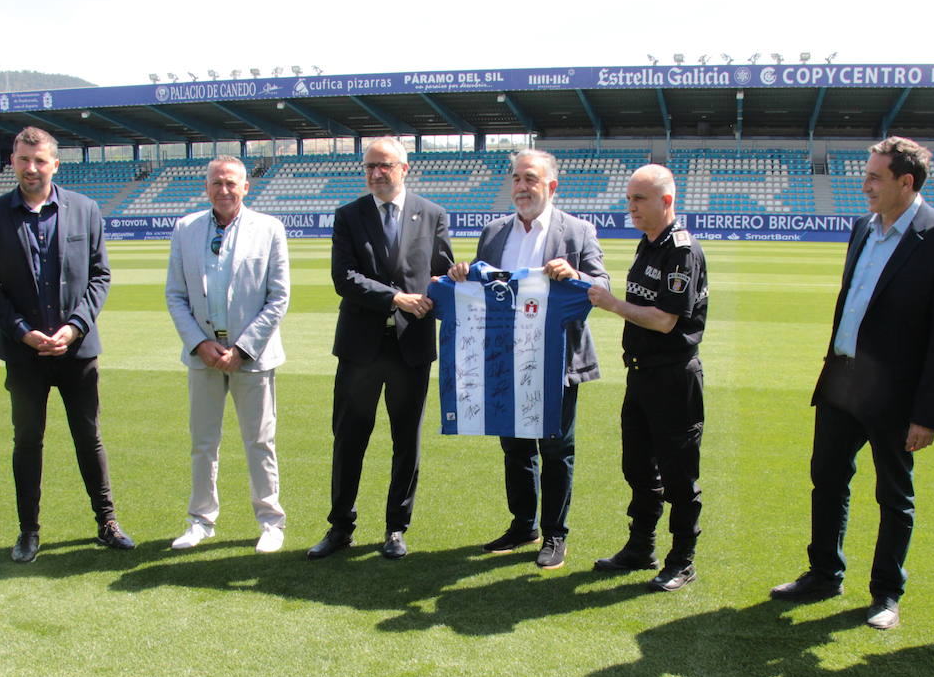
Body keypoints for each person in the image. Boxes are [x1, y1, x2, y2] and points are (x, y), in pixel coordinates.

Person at [769, 137, 934, 630]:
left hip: (896, 392)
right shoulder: (862, 228)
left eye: (876, 177)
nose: (865, 185)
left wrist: (929, 413)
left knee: (893, 494)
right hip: (842, 377)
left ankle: (885, 594)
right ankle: (824, 573)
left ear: (907, 182)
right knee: (828, 479)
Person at [0, 127, 135, 562]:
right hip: (24, 352)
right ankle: (28, 530)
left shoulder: (84, 209)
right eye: (24, 160)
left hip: (77, 350)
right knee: (27, 441)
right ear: (12, 161)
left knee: (89, 437)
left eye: (40, 160)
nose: (31, 168)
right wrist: (23, 331)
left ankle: (106, 521)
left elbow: (100, 276)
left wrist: (76, 326)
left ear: (54, 164)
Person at [446, 149, 606, 570]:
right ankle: (524, 524)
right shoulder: (495, 231)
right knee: (515, 447)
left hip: (558, 362)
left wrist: (576, 276)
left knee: (556, 449)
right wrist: (465, 274)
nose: (520, 186)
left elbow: (601, 284)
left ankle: (555, 533)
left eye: (530, 179)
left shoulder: (577, 231)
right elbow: (484, 285)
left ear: (551, 186)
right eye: (516, 178)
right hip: (505, 360)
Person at [306, 136, 453, 561]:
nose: (375, 173)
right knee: (348, 439)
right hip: (360, 347)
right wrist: (396, 298)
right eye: (369, 166)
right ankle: (340, 527)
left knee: (407, 441)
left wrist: (457, 278)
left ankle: (395, 528)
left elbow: (440, 274)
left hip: (411, 347)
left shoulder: (433, 215)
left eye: (384, 165)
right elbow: (344, 277)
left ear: (404, 169)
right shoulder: (348, 215)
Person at [587, 164, 708, 592]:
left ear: (667, 201)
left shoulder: (681, 251)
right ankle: (641, 547)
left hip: (674, 378)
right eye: (629, 199)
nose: (631, 207)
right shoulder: (649, 244)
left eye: (639, 199)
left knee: (679, 476)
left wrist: (611, 304)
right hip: (640, 377)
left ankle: (683, 559)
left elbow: (664, 321)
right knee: (638, 468)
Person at [165, 155, 289, 553]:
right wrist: (200, 344)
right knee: (203, 442)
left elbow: (278, 297)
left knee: (259, 442)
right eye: (217, 183)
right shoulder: (185, 228)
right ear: (207, 187)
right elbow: (176, 295)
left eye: (231, 183)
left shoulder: (269, 229)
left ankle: (270, 521)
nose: (223, 190)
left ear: (245, 186)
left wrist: (243, 348)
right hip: (202, 356)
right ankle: (201, 520)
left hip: (252, 357)